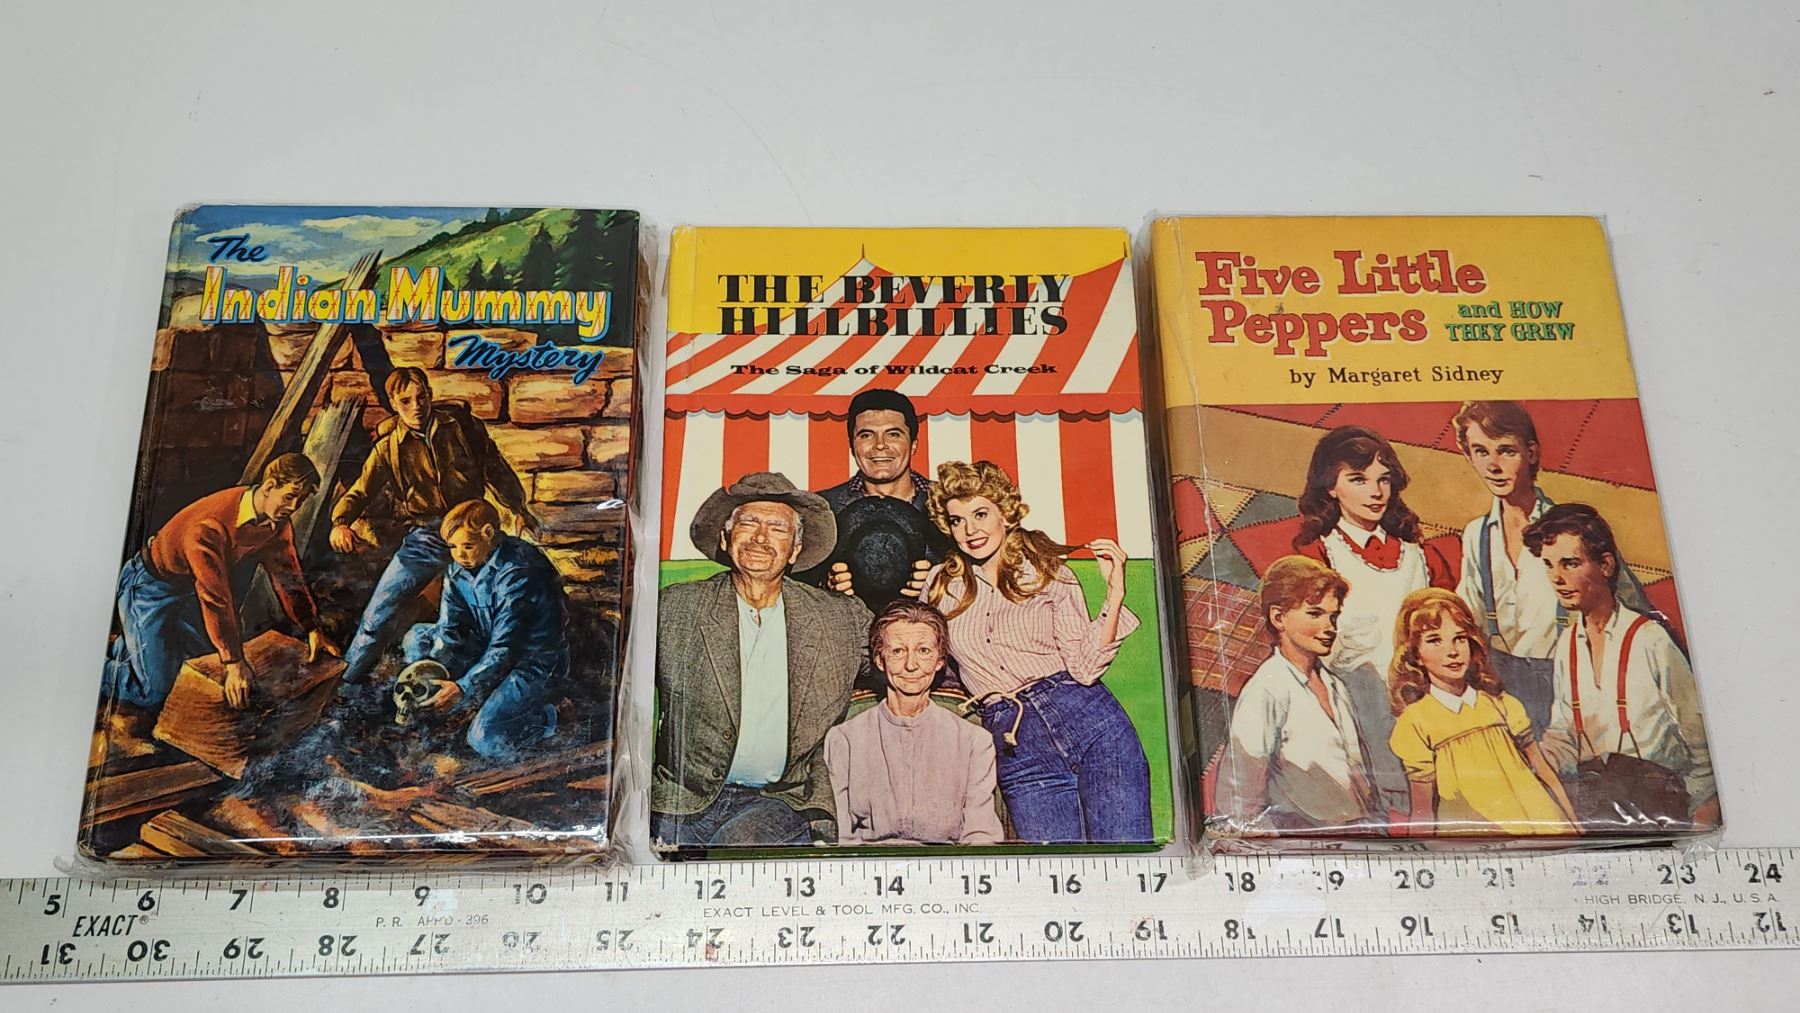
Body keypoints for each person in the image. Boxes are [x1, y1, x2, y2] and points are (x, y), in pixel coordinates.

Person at [922, 460, 1149, 844]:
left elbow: (1086, 669)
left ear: (1005, 514)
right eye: (957, 520)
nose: (970, 530)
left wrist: (1115, 593)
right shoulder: (938, 585)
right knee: (1053, 870)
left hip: (1091, 723)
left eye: (980, 514)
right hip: (1015, 742)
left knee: (1123, 855)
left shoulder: (1048, 571)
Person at [652, 472, 872, 848]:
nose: (760, 538)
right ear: (726, 538)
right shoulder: (675, 607)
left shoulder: (841, 618)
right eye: (748, 522)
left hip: (782, 801)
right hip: (681, 799)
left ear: (796, 549)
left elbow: (905, 654)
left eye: (777, 528)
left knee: (734, 854)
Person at [1452, 401, 1660, 737]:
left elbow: (1633, 609)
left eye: (1506, 451)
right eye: (1480, 451)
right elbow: (1468, 615)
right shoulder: (1476, 534)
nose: (1493, 465)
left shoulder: (1570, 530)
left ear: (1531, 453)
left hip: (1568, 680)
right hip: (1501, 683)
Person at [330, 367, 537, 688]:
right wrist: (340, 521)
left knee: (504, 601)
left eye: (421, 397)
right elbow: (360, 490)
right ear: (393, 404)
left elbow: (494, 467)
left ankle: (507, 681)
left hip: (472, 529)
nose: (416, 406)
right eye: (406, 401)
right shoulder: (388, 449)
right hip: (426, 535)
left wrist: (518, 507)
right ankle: (343, 684)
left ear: (430, 395)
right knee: (378, 611)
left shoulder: (462, 428)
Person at [102, 453, 341, 727]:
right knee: (154, 691)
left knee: (202, 669)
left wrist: (311, 627)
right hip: (148, 587)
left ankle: (131, 647)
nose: (294, 506)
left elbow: (289, 577)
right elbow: (214, 596)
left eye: (301, 500)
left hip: (188, 592)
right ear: (269, 486)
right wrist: (234, 663)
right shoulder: (209, 526)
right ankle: (95, 667)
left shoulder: (275, 526)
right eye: (290, 496)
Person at [1525, 504, 1720, 830]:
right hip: (1597, 803)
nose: (1557, 578)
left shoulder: (1650, 640)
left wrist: (1699, 814)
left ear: (1605, 565)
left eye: (1570, 564)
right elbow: (1564, 734)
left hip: (1660, 804)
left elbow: (1702, 744)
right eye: (1548, 565)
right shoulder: (1567, 644)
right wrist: (1528, 764)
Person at [1291, 425, 1453, 816]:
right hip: (1354, 699)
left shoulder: (1421, 556)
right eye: (1358, 480)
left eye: (1384, 479)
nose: (1376, 492)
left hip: (1422, 692)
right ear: (1331, 487)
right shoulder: (1318, 555)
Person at [1386, 588, 1577, 837]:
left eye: (1459, 638)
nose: (1452, 651)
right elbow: (1423, 811)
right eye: (1435, 640)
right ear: (1416, 655)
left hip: (1538, 822)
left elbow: (1543, 771)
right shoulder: (1415, 721)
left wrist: (1574, 824)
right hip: (1474, 835)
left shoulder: (1500, 703)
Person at [398, 500, 570, 759]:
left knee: (484, 738)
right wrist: (432, 669)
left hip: (532, 661)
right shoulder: (458, 569)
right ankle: (454, 705)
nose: (459, 555)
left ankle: (551, 716)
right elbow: (449, 629)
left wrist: (462, 687)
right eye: (453, 547)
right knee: (417, 638)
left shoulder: (519, 572)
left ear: (488, 534)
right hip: (487, 647)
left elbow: (505, 649)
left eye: (467, 546)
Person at [825, 600, 1004, 845]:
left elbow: (980, 834)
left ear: (940, 660)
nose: (911, 665)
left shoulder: (974, 741)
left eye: (924, 651)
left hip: (946, 863)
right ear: (880, 660)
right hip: (871, 862)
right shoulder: (844, 739)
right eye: (898, 651)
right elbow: (840, 836)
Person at [1221, 555, 1376, 832]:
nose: (1330, 628)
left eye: (1333, 616)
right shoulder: (1266, 689)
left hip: (1357, 832)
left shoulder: (1335, 686)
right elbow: (1241, 796)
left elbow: (1359, 775)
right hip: (1301, 837)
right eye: (1315, 614)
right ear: (1278, 617)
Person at [817, 388, 945, 598]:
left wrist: (940, 586)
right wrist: (826, 585)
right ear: (852, 446)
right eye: (866, 435)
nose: (880, 445)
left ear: (913, 445)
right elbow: (797, 583)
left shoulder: (949, 503)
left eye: (893, 434)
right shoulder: (821, 508)